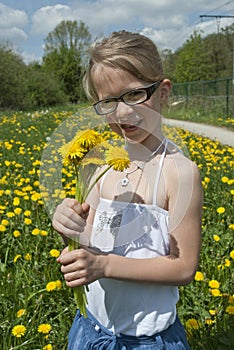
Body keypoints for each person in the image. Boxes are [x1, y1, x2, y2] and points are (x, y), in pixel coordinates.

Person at [52, 30, 203, 349]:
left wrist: (103, 266)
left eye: (134, 95)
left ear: (163, 92)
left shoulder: (179, 172)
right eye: (108, 102)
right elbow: (88, 242)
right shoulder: (99, 163)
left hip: (147, 339)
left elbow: (184, 266)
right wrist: (68, 225)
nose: (122, 113)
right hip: (91, 329)